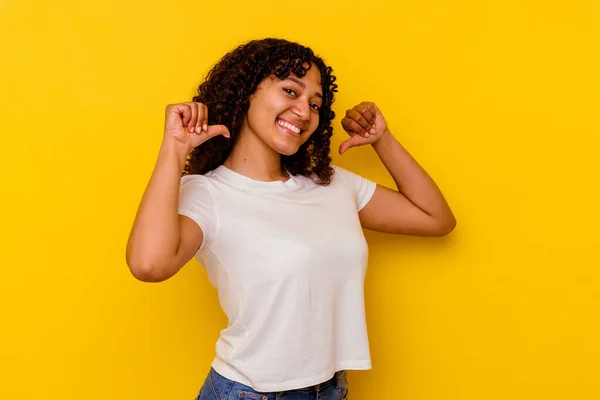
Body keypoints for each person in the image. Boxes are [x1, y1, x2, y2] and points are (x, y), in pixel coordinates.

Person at [126, 38, 456, 400]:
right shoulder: (210, 193)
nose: (304, 112)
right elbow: (148, 265)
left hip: (329, 389)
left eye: (315, 104)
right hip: (248, 392)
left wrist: (383, 140)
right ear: (246, 92)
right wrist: (174, 150)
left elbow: (436, 218)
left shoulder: (330, 184)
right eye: (290, 91)